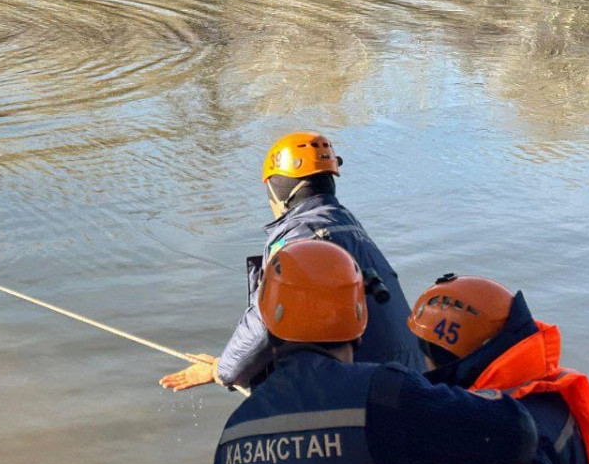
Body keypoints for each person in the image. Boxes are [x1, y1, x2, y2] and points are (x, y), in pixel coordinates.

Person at [213, 240, 539, 464]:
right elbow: (517, 434)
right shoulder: (383, 396)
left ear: (269, 327)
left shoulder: (234, 432)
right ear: (358, 318)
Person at [160, 131, 423, 393]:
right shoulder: (347, 226)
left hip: (367, 391)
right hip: (409, 380)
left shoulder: (300, 237)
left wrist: (223, 369)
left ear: (276, 188)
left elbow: (268, 319)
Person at [406, 274, 589, 464]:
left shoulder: (515, 426)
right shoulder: (526, 395)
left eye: (427, 352)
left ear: (450, 358)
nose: (424, 364)